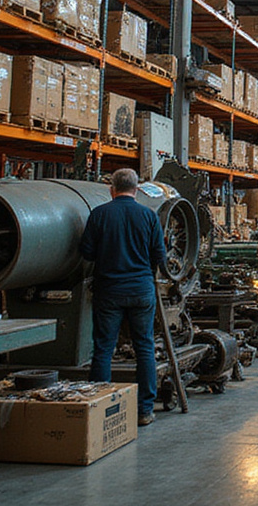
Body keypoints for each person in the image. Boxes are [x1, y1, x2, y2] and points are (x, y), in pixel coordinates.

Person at [79, 168, 167, 427]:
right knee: (144, 348)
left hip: (109, 291)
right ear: (137, 189)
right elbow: (159, 256)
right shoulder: (149, 216)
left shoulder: (99, 215)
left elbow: (86, 252)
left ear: (111, 189)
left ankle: (98, 407)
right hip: (141, 290)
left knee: (104, 349)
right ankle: (144, 410)